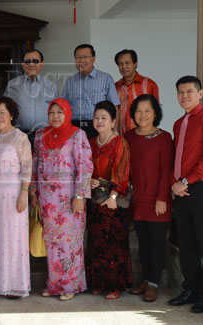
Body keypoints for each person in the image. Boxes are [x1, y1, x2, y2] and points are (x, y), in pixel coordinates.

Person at [168, 76, 203, 314]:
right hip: (181, 190)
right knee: (186, 243)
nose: (184, 96)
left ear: (200, 93)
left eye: (189, 91)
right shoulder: (179, 123)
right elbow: (177, 158)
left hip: (201, 187)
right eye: (180, 92)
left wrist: (183, 182)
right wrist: (175, 184)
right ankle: (190, 288)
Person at [30, 98, 93, 301]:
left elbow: (85, 167)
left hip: (69, 200)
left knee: (70, 244)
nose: (55, 116)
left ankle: (71, 285)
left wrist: (80, 196)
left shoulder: (77, 135)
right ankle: (55, 285)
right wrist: (33, 192)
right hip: (48, 201)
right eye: (52, 112)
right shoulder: (41, 136)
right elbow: (34, 165)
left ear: (67, 113)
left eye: (60, 112)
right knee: (53, 244)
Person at [124, 94, 173, 303]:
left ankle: (154, 283)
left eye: (147, 110)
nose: (142, 115)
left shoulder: (164, 137)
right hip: (137, 199)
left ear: (155, 113)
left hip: (157, 200)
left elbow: (166, 170)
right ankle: (145, 280)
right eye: (138, 110)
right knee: (143, 243)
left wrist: (162, 197)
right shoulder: (128, 137)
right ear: (133, 113)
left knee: (157, 243)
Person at [85, 101, 131, 300]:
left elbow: (122, 171)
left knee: (113, 243)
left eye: (104, 118)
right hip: (94, 200)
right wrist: (89, 179)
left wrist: (113, 196)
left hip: (112, 200)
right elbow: (84, 166)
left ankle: (114, 285)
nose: (99, 121)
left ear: (113, 121)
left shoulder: (119, 142)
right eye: (97, 118)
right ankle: (97, 282)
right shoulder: (91, 142)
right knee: (95, 243)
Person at [0, 96, 32, 298]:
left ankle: (15, 284)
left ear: (11, 114)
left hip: (14, 192)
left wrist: (24, 193)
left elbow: (27, 168)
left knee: (14, 239)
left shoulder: (20, 137)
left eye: (2, 112)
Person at [62, 44, 120, 139]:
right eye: (78, 57)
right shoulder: (70, 82)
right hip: (75, 127)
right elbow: (64, 109)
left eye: (85, 57)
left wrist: (115, 132)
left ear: (93, 59)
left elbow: (115, 107)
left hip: (99, 127)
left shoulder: (106, 78)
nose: (81, 61)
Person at [5, 49, 58, 142]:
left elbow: (58, 111)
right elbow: (4, 110)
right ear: (22, 64)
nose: (31, 64)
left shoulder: (51, 85)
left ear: (42, 64)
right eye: (27, 61)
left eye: (35, 61)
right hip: (19, 136)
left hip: (45, 135)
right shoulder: (12, 85)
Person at [114, 49, 159, 136]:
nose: (124, 66)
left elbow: (156, 112)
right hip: (122, 136)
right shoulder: (115, 87)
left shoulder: (149, 84)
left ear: (135, 64)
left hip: (145, 135)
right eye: (120, 64)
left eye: (127, 63)